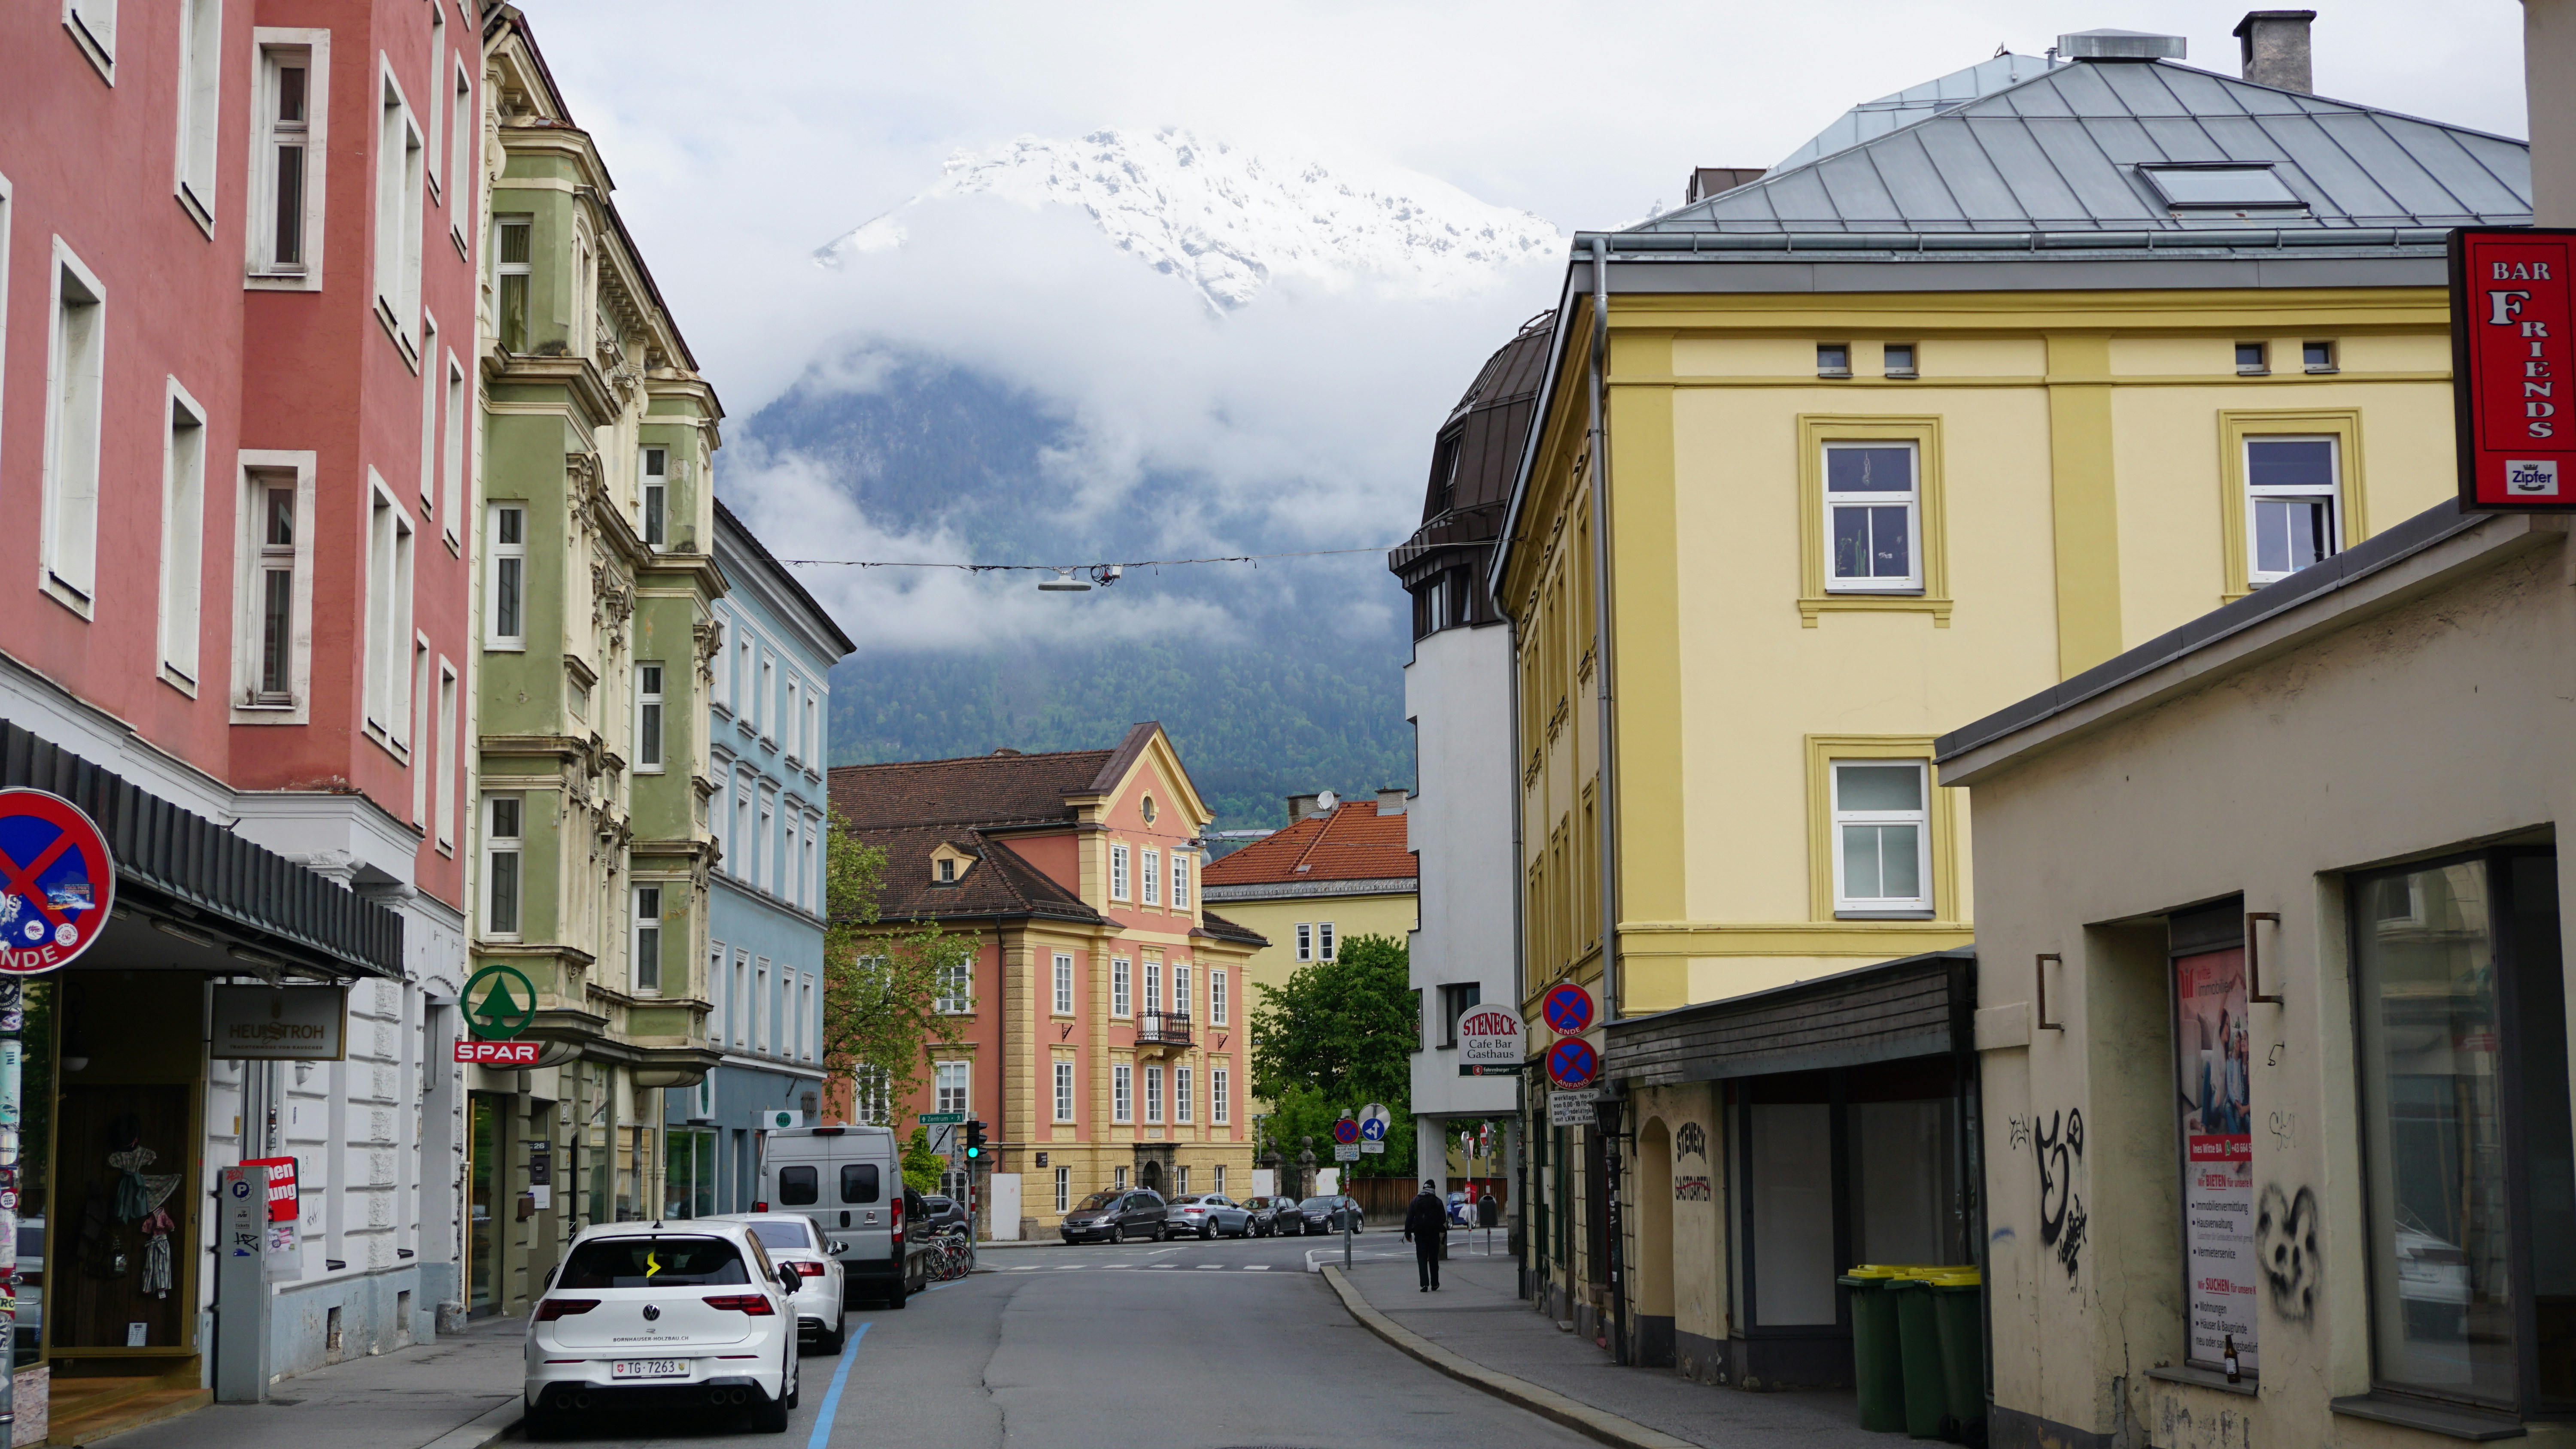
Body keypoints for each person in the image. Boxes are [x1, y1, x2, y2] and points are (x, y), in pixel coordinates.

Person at [1403, 1179, 1448, 1291]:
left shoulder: (1416, 1201)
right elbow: (1443, 1218)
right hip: (1433, 1234)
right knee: (1433, 1259)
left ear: (1423, 1188)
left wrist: (1408, 1233)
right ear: (1433, 1189)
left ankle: (1424, 1284)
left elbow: (1409, 1218)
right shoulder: (1437, 1202)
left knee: (1422, 1259)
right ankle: (1435, 1283)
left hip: (1420, 1234)